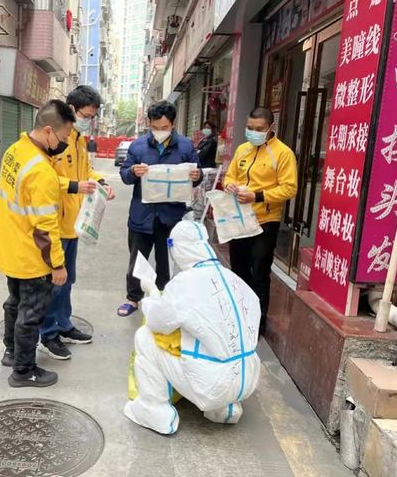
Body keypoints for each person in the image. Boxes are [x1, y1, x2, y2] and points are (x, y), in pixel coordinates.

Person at [124, 221, 261, 434]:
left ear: (178, 248)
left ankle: (154, 410)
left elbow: (157, 322)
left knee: (144, 336)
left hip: (211, 384)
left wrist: (150, 293)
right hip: (247, 379)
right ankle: (225, 407)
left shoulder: (186, 283)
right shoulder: (234, 279)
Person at [0, 99, 75, 388]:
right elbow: (45, 227)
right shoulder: (41, 170)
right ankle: (23, 370)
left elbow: (37, 187)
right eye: (64, 137)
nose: (65, 143)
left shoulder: (16, 151)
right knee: (30, 315)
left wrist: (75, 186)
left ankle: (11, 351)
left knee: (14, 304)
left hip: (11, 249)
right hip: (32, 256)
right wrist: (57, 264)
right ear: (48, 131)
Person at [38, 86, 115, 360]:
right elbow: (43, 179)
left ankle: (64, 324)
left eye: (92, 116)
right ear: (70, 108)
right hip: (54, 224)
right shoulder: (55, 139)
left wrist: (100, 182)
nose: (88, 120)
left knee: (67, 280)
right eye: (85, 114)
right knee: (53, 282)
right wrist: (75, 186)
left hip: (73, 223)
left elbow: (86, 171)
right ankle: (47, 334)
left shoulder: (79, 139)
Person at [118, 101, 203, 317]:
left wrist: (197, 176)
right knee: (138, 259)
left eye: (164, 128)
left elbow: (196, 176)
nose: (159, 132)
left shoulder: (185, 147)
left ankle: (165, 296)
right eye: (155, 127)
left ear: (173, 124)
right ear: (149, 123)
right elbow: (125, 175)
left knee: (166, 260)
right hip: (142, 215)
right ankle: (133, 298)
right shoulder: (137, 147)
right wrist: (132, 172)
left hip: (171, 216)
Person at [224, 107, 297, 334]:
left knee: (259, 273)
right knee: (238, 270)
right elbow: (231, 175)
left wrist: (258, 196)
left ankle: (257, 325)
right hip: (239, 219)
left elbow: (289, 188)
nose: (253, 132)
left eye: (259, 129)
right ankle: (238, 319)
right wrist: (228, 184)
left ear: (270, 129)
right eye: (249, 128)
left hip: (265, 220)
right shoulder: (242, 150)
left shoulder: (283, 154)